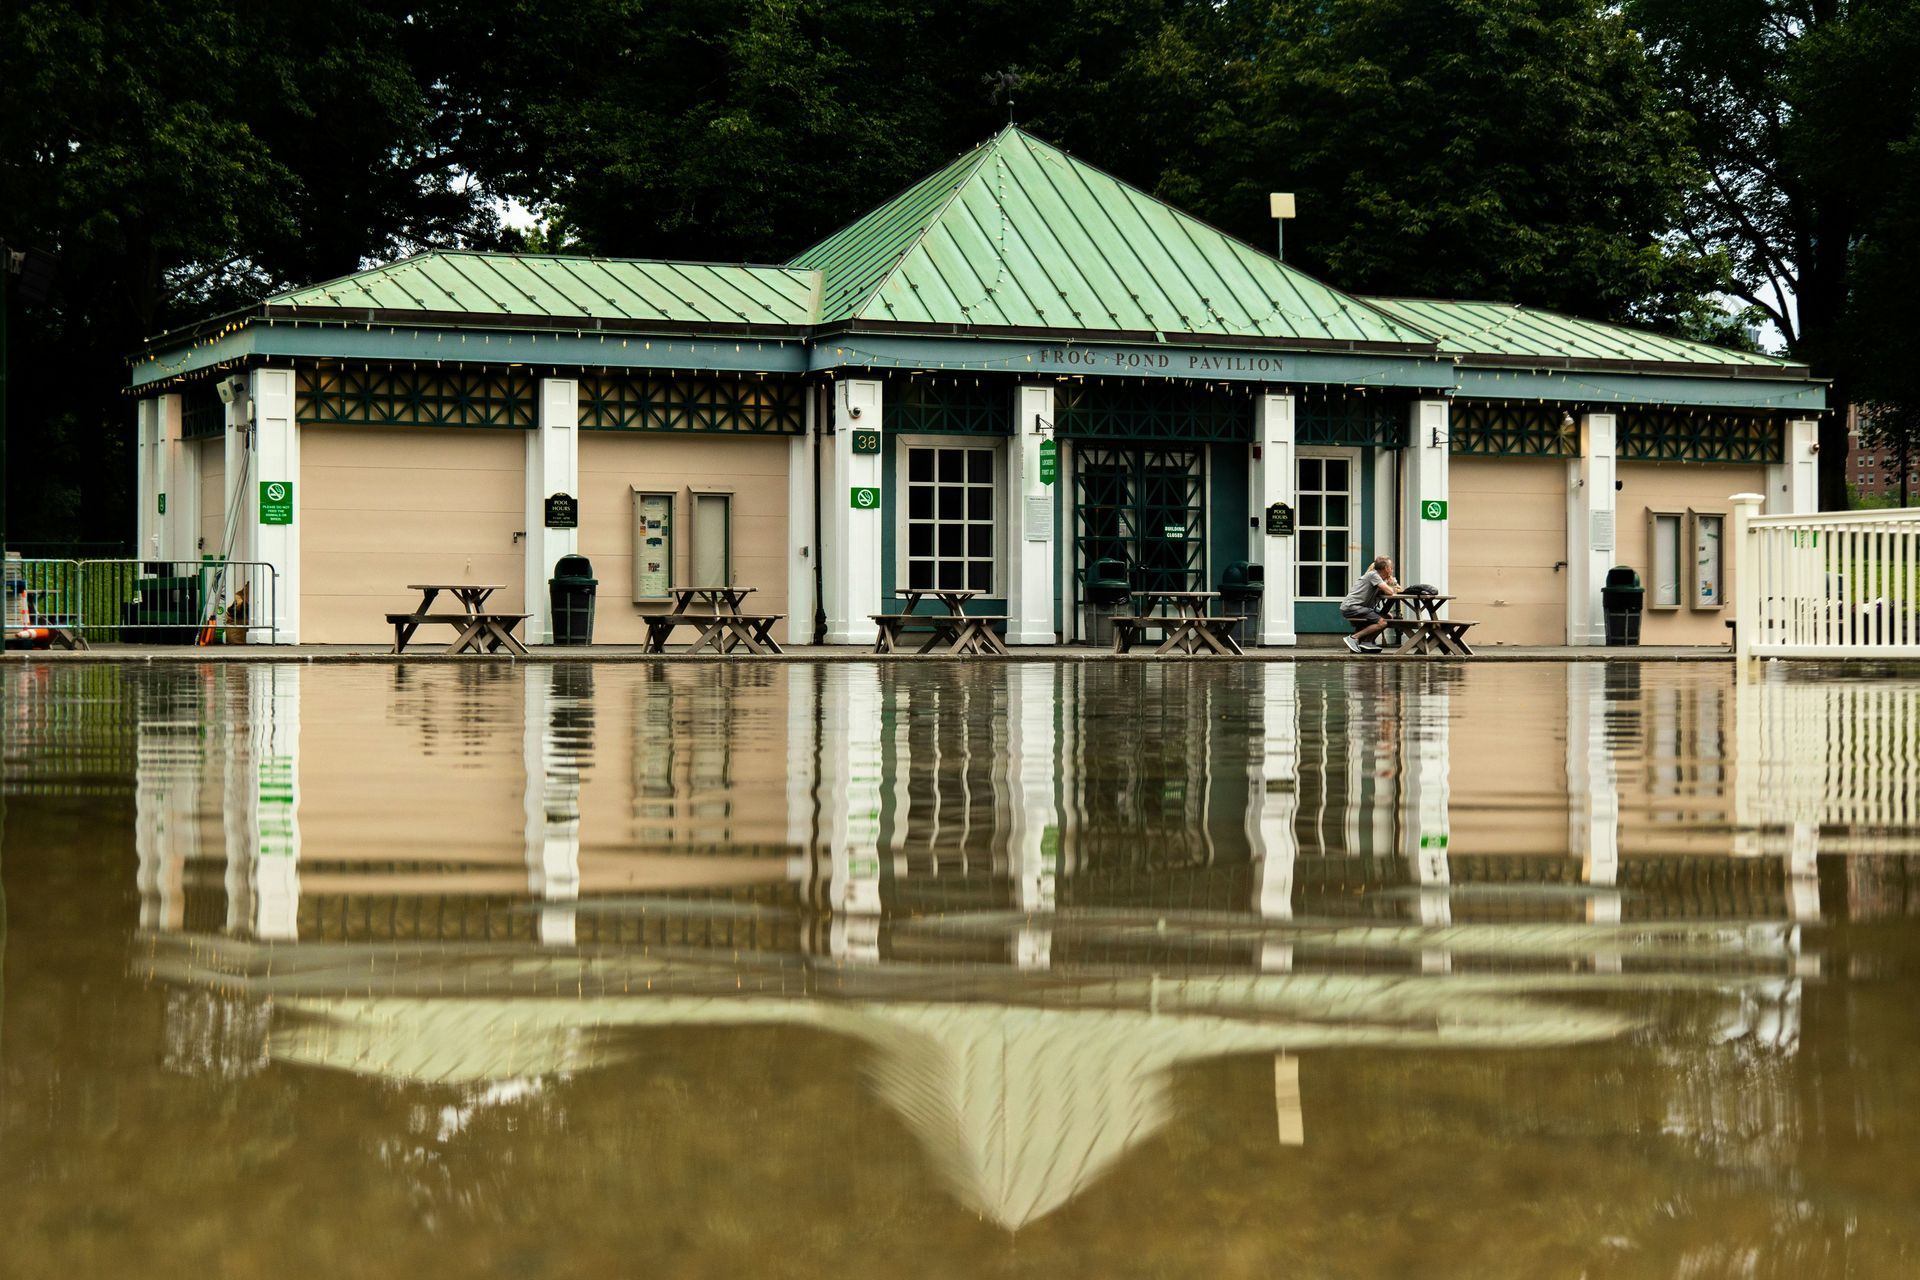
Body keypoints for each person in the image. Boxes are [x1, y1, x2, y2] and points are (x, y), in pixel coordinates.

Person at [1340, 555, 1402, 654]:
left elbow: (1399, 589)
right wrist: (1391, 584)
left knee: (1388, 617)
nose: (1392, 569)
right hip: (1352, 606)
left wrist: (1391, 583)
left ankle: (1366, 642)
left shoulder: (1380, 579)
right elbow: (1390, 592)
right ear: (1386, 568)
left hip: (1362, 607)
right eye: (1391, 567)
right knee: (1382, 622)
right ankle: (1353, 638)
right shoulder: (1373, 575)